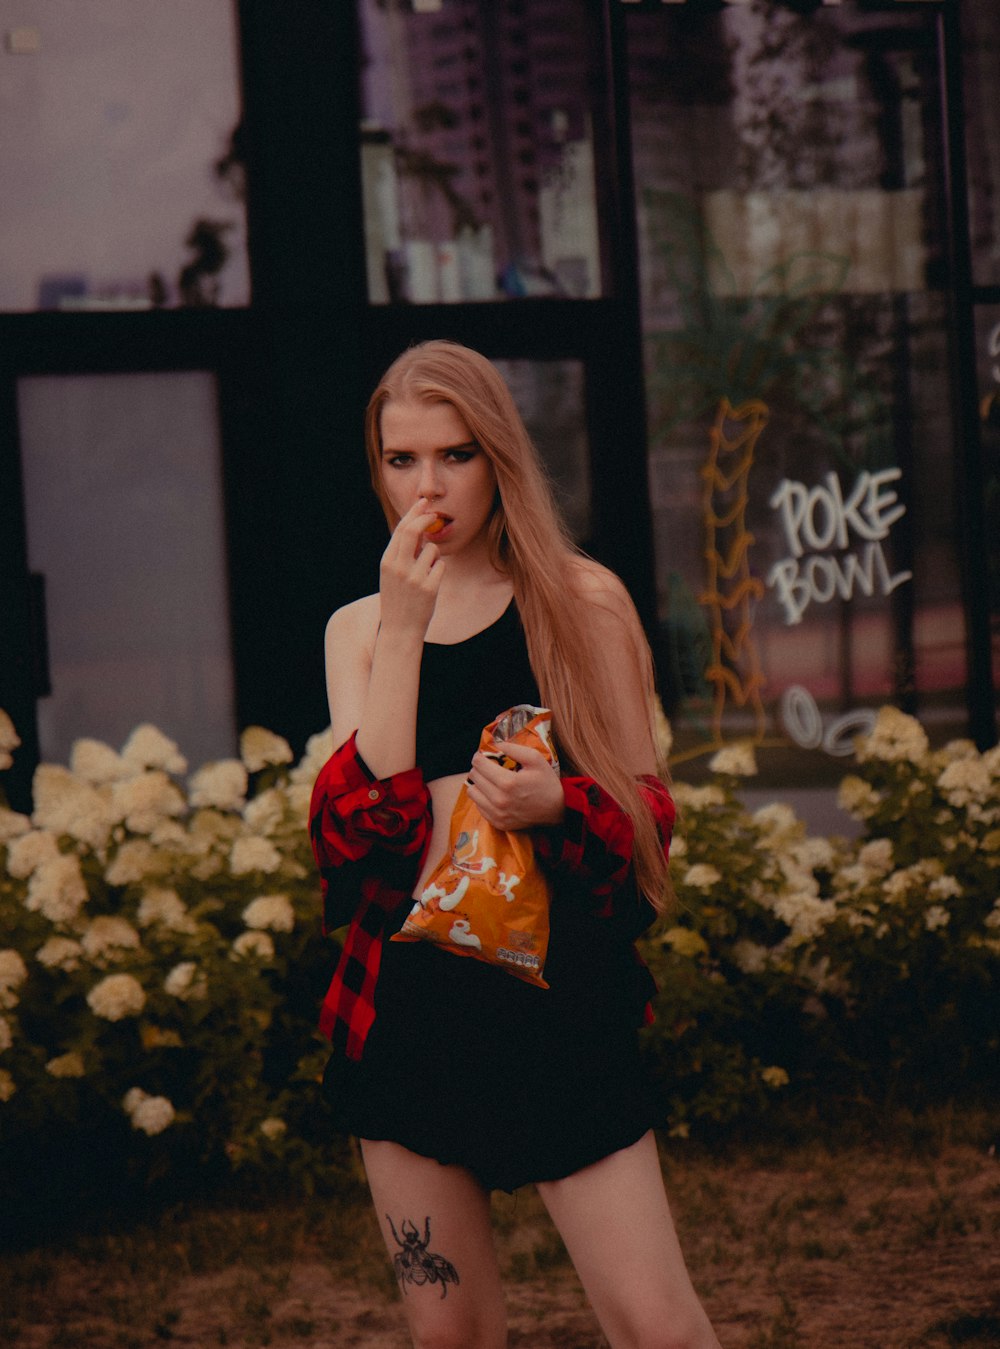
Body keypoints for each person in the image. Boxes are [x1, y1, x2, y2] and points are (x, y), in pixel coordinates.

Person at [309, 340, 720, 1348]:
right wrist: (404, 627)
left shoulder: (582, 601)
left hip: (559, 1006)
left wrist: (561, 805)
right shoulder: (359, 629)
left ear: (498, 458)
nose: (428, 486)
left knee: (654, 1319)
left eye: (454, 455)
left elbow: (648, 823)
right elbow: (367, 841)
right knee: (450, 1334)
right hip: (408, 1017)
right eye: (400, 460)